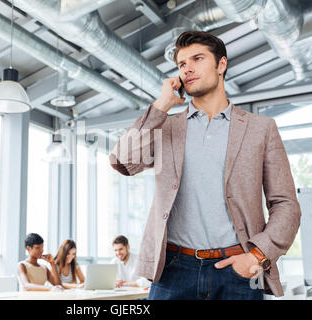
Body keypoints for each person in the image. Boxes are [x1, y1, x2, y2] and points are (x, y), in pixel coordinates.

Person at [109, 30, 301, 300]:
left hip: (238, 271)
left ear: (221, 65)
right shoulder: (167, 126)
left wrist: (258, 254)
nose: (188, 69)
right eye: (182, 64)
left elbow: (286, 204)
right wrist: (162, 105)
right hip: (173, 271)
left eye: (197, 59)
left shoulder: (261, 128)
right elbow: (122, 161)